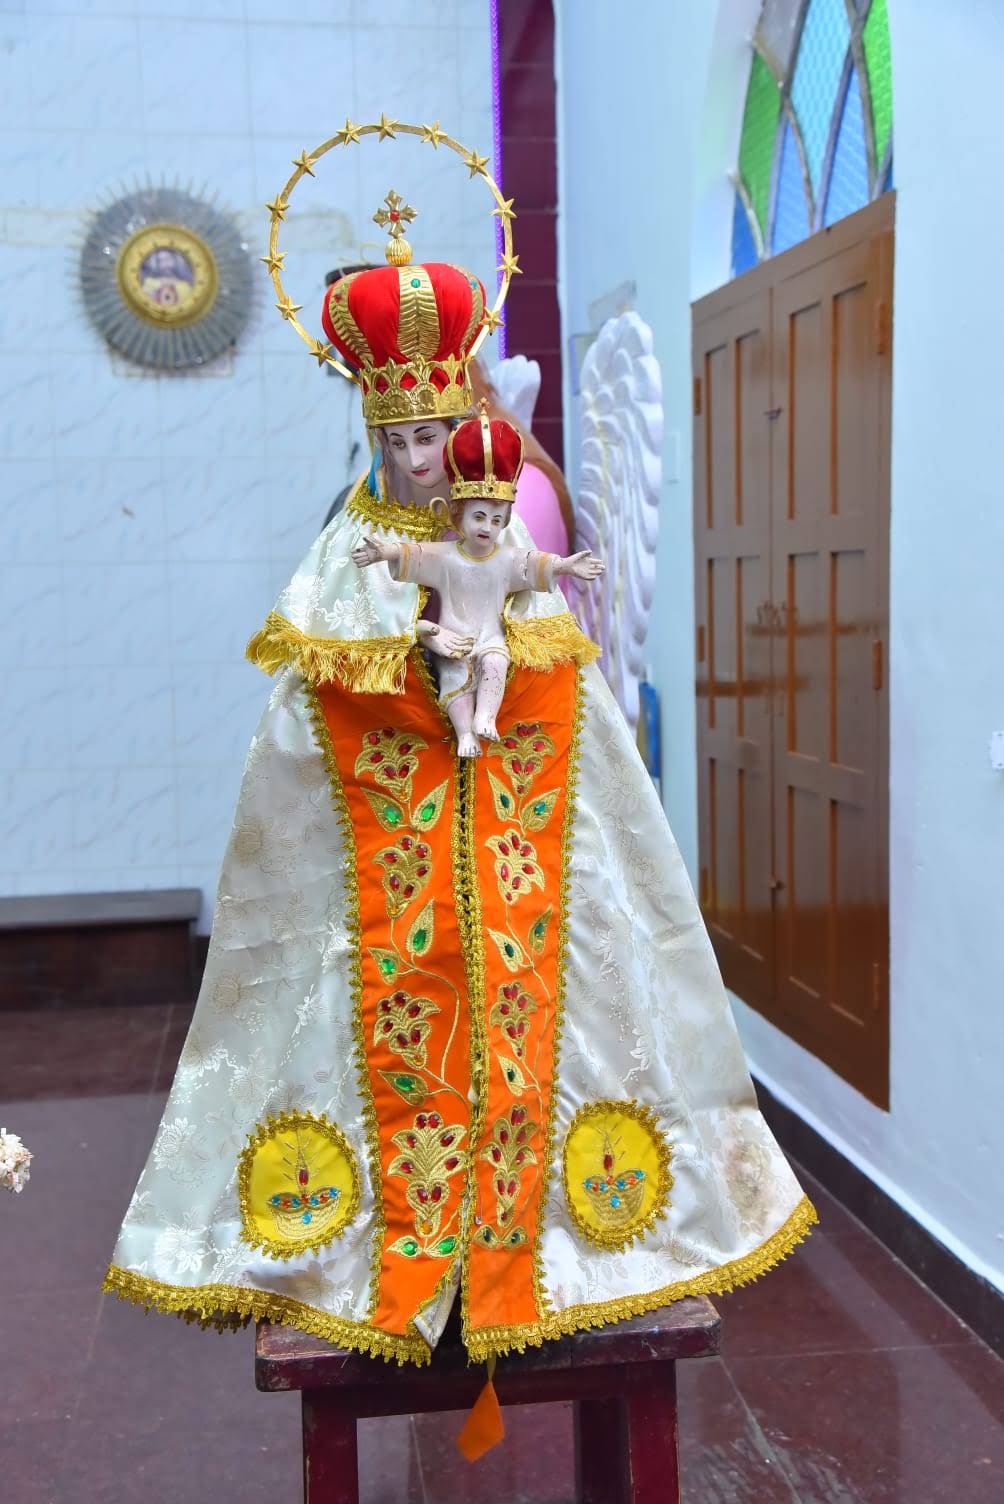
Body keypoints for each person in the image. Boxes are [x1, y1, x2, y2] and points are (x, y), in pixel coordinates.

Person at [104, 175, 815, 1389]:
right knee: (368, 1020)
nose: (413, 459)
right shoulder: (351, 546)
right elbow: (301, 728)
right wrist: (385, 685)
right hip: (383, 879)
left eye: (427, 435)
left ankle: (548, 1248)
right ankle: (378, 1254)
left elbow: (558, 665)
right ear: (371, 435)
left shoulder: (507, 502)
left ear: (464, 416)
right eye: (390, 440)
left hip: (518, 841)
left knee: (570, 1006)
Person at [352, 409, 604, 754]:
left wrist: (565, 566)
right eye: (397, 443)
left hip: (495, 659)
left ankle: (481, 719)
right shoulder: (369, 519)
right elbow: (392, 576)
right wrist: (421, 631)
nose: (414, 459)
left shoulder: (502, 528)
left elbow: (528, 567)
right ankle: (466, 728)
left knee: (497, 667)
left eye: (426, 439)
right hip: (403, 705)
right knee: (453, 685)